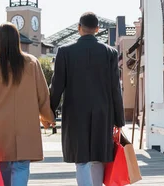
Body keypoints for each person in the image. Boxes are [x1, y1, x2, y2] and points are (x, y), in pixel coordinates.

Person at [49, 12, 125, 186]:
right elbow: (115, 89)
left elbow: (57, 86)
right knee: (98, 158)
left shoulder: (64, 52)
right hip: (102, 113)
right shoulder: (110, 53)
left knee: (81, 159)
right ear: (97, 29)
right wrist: (119, 120)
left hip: (75, 113)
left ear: (79, 28)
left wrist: (50, 112)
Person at [0, 23, 55, 186]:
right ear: (17, 40)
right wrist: (48, 117)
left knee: (3, 167)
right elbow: (43, 94)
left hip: (1, 127)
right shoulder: (32, 63)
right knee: (20, 167)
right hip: (26, 126)